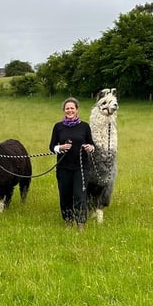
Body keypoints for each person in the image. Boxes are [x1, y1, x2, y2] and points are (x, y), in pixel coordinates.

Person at [48, 97, 95, 230]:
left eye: (72, 108)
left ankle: (80, 223)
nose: (70, 110)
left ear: (77, 110)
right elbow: (51, 146)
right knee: (65, 196)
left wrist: (90, 148)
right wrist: (60, 148)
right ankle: (68, 221)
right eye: (67, 108)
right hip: (63, 168)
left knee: (80, 195)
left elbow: (91, 144)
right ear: (64, 110)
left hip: (80, 168)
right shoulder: (58, 127)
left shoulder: (84, 126)